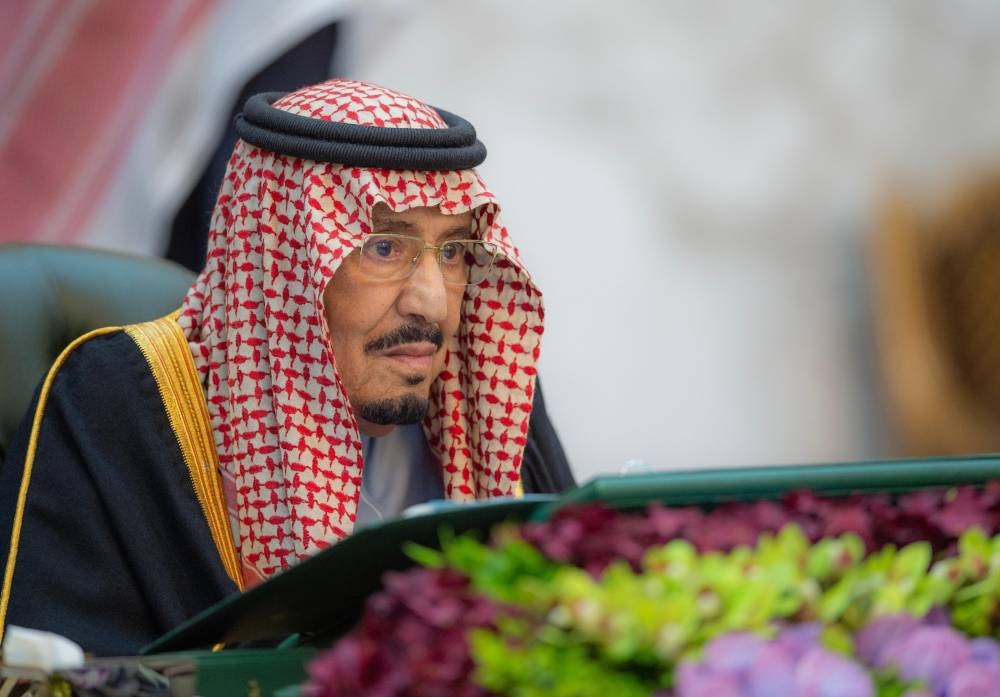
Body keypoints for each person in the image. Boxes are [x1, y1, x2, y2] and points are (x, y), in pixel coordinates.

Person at [0, 79, 574, 655]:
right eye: (384, 248)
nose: (433, 304)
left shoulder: (487, 402)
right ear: (286, 260)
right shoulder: (117, 399)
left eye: (451, 251)